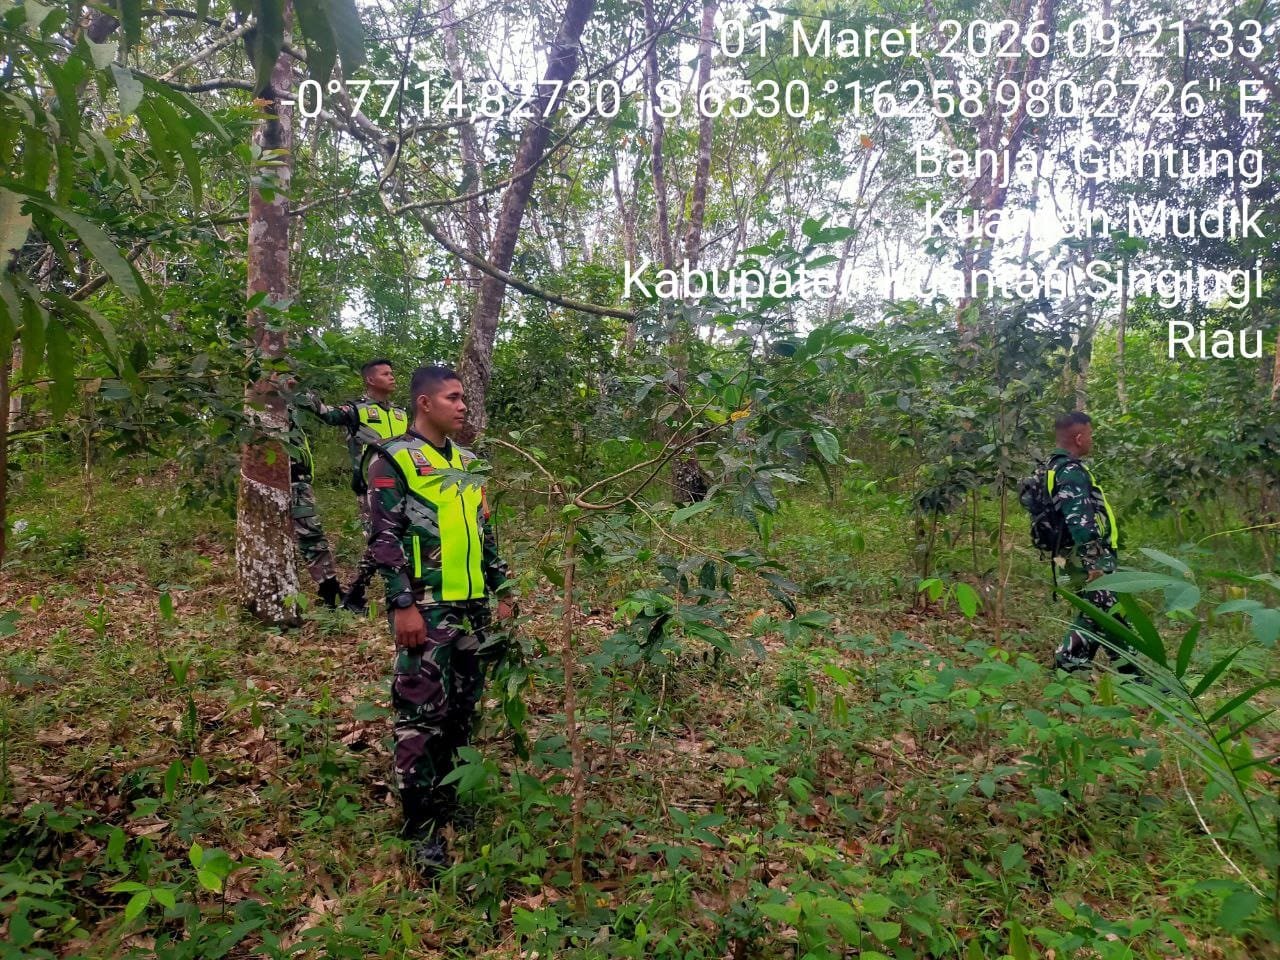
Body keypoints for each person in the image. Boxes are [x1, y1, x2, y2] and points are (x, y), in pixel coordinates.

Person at [366, 365, 515, 877]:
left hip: (472, 607)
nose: (462, 406)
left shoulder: (469, 464)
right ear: (424, 403)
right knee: (420, 716)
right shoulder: (393, 458)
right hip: (426, 607)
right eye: (452, 398)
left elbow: (485, 533)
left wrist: (503, 590)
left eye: (463, 398)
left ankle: (449, 800)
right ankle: (420, 826)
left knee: (462, 711)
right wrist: (401, 603)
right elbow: (383, 538)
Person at [301, 359, 409, 612]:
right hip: (371, 487)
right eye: (385, 374)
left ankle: (362, 592)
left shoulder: (401, 414)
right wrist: (300, 390)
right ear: (370, 380)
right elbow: (327, 414)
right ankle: (357, 594)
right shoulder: (356, 410)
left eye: (392, 373)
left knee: (400, 537)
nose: (392, 377)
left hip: (404, 486)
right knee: (378, 538)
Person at [1047, 411, 1136, 673]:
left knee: (1094, 612)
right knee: (1111, 614)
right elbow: (1080, 521)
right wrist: (1094, 562)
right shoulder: (1070, 471)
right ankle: (1136, 676)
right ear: (1078, 437)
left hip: (1067, 554)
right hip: (1084, 556)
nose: (1091, 440)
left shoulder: (1052, 467)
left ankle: (1067, 666)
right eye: (1090, 434)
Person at [286, 407, 343, 608]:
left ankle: (329, 588)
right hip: (292, 482)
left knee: (310, 534)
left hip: (299, 482)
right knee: (310, 535)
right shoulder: (272, 408)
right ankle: (329, 590)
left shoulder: (290, 407)